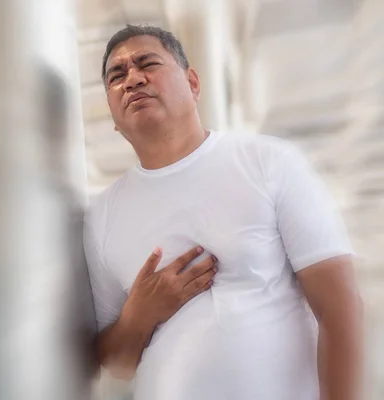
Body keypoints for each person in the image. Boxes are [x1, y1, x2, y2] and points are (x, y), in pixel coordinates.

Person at [83, 25, 363, 400]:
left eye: (147, 63)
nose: (132, 78)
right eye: (116, 76)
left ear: (193, 83)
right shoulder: (101, 216)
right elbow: (114, 365)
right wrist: (139, 315)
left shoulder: (268, 163)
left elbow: (340, 310)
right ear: (114, 119)